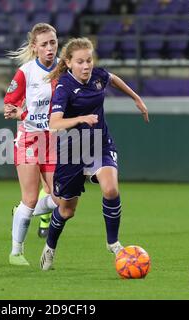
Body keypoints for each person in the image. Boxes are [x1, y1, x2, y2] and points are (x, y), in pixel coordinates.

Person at [40, 37, 149, 271]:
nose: (87, 65)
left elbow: (113, 79)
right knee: (67, 210)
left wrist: (136, 98)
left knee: (110, 188)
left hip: (100, 143)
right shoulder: (63, 87)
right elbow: (54, 122)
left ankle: (113, 242)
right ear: (68, 63)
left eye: (89, 60)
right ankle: (50, 247)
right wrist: (81, 119)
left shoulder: (98, 76)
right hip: (71, 149)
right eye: (80, 62)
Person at [3, 23, 60, 266]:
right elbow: (9, 105)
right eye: (44, 44)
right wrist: (15, 112)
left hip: (54, 140)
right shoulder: (25, 72)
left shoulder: (65, 71)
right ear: (34, 47)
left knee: (61, 199)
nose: (49, 48)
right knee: (29, 197)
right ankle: (16, 252)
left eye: (53, 42)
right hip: (29, 139)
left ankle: (21, 215)